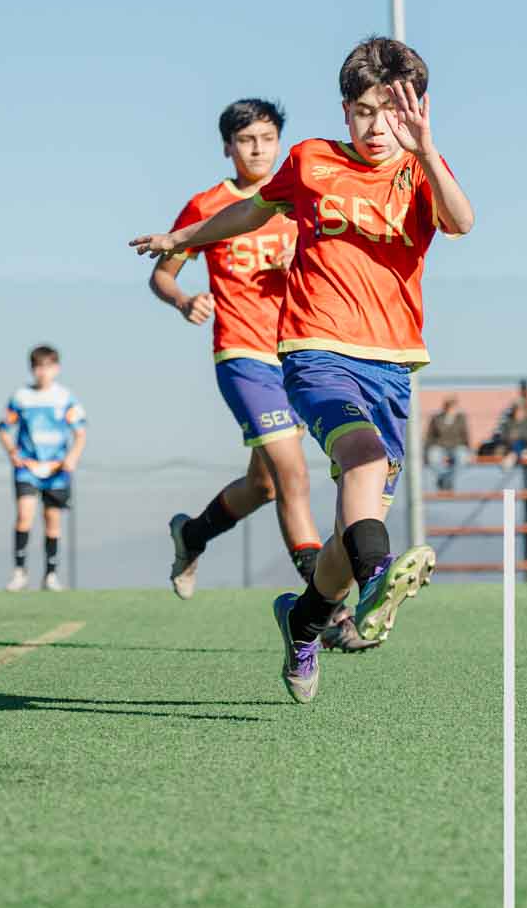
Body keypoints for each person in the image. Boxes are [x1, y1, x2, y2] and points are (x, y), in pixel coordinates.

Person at [132, 36, 473, 703]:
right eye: (364, 112)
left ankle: (304, 619)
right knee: (358, 461)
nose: (376, 127)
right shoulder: (312, 160)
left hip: (392, 365)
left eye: (391, 113)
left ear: (416, 111)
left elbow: (460, 222)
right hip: (314, 352)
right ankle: (377, 579)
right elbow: (251, 209)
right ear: (345, 111)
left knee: (349, 528)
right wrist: (181, 239)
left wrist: (428, 151)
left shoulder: (420, 172)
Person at [146, 99, 359, 646]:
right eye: (246, 140)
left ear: (279, 140)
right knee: (294, 476)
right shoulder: (209, 205)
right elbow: (163, 273)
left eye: (267, 138)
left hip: (297, 353)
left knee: (263, 485)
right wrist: (184, 299)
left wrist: (303, 265)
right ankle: (328, 613)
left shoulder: (297, 196)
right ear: (228, 147)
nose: (258, 149)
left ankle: (192, 534)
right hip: (242, 357)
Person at [0, 346, 86, 592]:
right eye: (37, 367)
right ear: (31, 369)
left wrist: (72, 458)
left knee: (52, 520)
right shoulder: (21, 397)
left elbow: (80, 432)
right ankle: (19, 572)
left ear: (56, 368)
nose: (42, 372)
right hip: (28, 468)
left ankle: (51, 574)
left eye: (47, 367)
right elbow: (3, 427)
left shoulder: (65, 397)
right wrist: (13, 452)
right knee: (24, 516)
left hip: (56, 469)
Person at [424, 396, 470, 490]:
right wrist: (426, 450)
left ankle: (446, 480)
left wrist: (469, 450)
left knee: (462, 458)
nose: (452, 410)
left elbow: (465, 434)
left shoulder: (461, 418)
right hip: (439, 445)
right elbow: (429, 436)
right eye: (450, 407)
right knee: (433, 457)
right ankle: (445, 478)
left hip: (456, 445)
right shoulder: (436, 418)